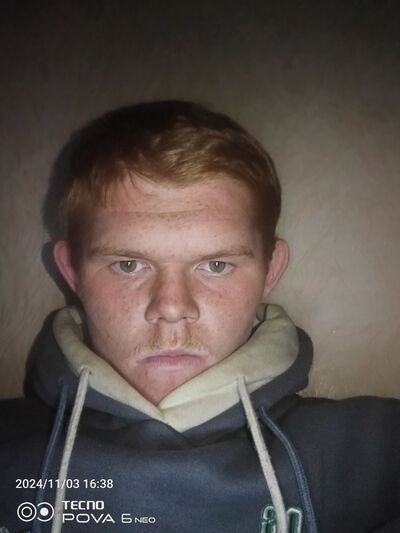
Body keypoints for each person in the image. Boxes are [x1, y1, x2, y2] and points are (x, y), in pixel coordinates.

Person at [0, 101, 399, 533]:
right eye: (129, 265)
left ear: (270, 271)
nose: (172, 307)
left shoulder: (376, 455)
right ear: (72, 272)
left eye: (216, 265)